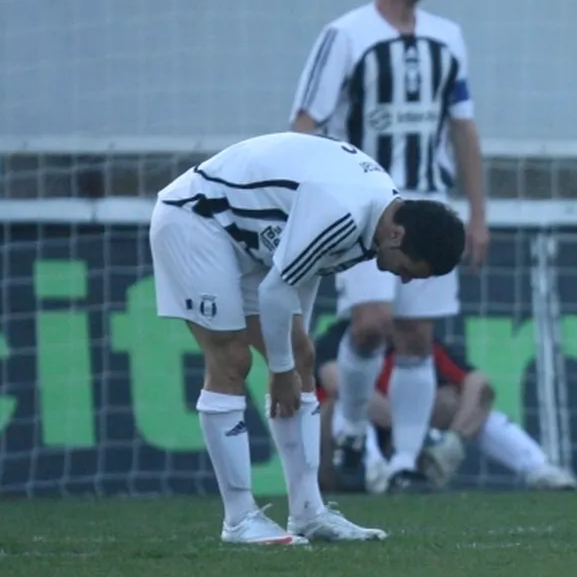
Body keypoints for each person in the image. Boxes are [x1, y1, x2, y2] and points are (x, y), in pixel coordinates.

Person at [149, 131, 465, 544]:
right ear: (397, 236)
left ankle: (308, 512)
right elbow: (276, 290)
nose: (402, 278)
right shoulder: (346, 211)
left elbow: (305, 271)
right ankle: (239, 519)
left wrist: (292, 358)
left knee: (303, 358)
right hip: (196, 220)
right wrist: (279, 371)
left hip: (245, 239)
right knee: (231, 360)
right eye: (408, 268)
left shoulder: (380, 215)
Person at [288, 0, 490, 494]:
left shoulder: (448, 38)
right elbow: (306, 121)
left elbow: (464, 128)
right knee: (371, 325)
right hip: (363, 209)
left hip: (429, 207)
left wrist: (478, 212)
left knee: (416, 336)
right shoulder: (346, 35)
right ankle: (351, 424)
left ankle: (403, 462)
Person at [313, 320, 577, 493]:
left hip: (403, 448)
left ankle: (540, 469)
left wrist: (454, 439)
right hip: (336, 454)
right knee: (342, 406)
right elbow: (338, 383)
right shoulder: (339, 340)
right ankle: (377, 475)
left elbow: (480, 384)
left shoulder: (418, 342)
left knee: (453, 402)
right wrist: (408, 426)